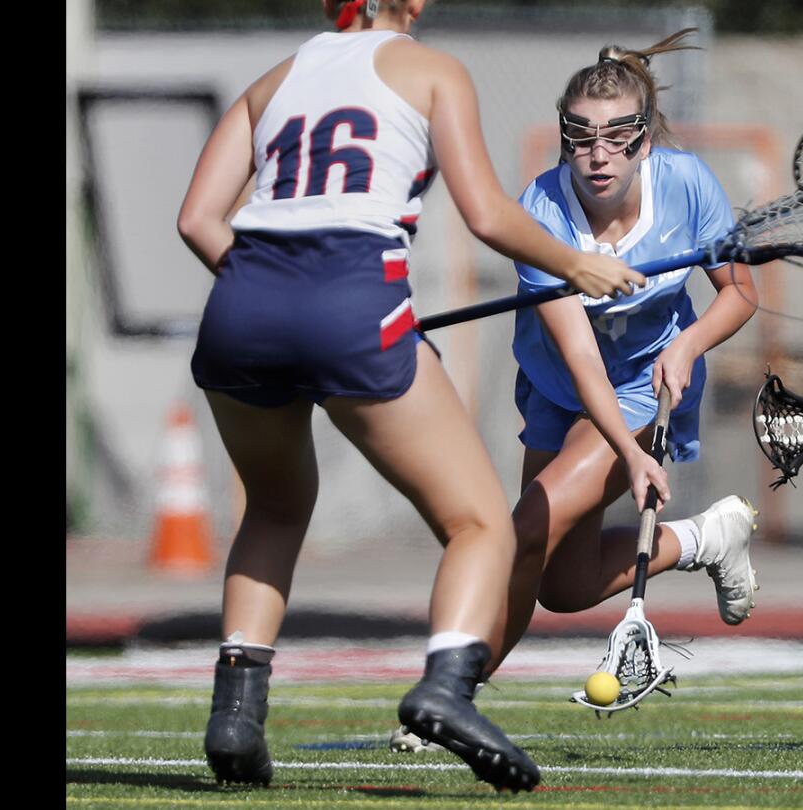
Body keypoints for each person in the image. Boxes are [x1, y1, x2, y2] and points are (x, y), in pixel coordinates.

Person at [175, 0, 644, 792]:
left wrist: (282, 300)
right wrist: (577, 264)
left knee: (275, 508)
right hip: (352, 297)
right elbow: (488, 213)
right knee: (478, 523)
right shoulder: (432, 70)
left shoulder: (272, 80)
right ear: (414, 3)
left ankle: (235, 712)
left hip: (241, 303)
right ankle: (447, 688)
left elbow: (197, 220)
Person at [388, 28, 761, 753]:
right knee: (560, 582)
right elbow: (578, 352)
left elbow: (739, 293)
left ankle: (452, 700)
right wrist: (629, 453)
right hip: (565, 387)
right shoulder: (541, 211)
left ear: (644, 139)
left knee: (523, 528)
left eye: (618, 135)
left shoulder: (686, 184)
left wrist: (686, 345)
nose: (598, 153)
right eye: (581, 136)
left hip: (646, 380)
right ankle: (706, 538)